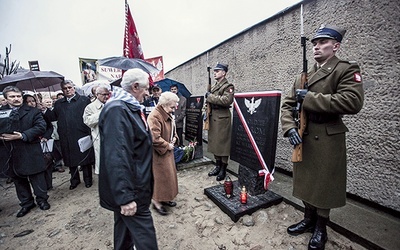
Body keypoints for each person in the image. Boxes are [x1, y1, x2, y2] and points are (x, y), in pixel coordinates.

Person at [280, 24, 364, 250]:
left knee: (324, 185)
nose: (317, 47)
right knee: (306, 181)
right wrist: (289, 128)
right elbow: (287, 105)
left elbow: (352, 102)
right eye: (315, 43)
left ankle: (320, 228)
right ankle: (308, 219)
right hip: (303, 135)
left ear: (335, 46)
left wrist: (310, 98)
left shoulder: (345, 69)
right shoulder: (303, 76)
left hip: (328, 136)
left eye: (323, 43)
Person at [98, 68, 158, 250]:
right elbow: (117, 156)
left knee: (124, 233)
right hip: (133, 189)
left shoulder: (127, 107)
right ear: (135, 86)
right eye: (146, 88)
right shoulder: (117, 110)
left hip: (135, 185)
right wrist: (125, 197)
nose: (148, 93)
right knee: (146, 238)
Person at [0, 86, 50, 217]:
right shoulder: (1, 112)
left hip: (29, 150)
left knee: (37, 178)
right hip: (10, 152)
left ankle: (42, 200)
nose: (16, 99)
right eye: (12, 96)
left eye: (18, 96)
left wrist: (22, 135)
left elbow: (40, 127)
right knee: (18, 179)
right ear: (5, 99)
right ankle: (26, 203)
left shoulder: (33, 111)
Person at [47, 80, 95, 190]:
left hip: (81, 134)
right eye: (65, 88)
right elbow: (53, 117)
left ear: (74, 88)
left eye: (69, 87)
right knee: (70, 159)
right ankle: (74, 180)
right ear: (62, 90)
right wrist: (46, 109)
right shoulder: (59, 103)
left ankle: (88, 179)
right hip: (66, 136)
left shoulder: (84, 100)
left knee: (85, 159)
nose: (68, 90)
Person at [147, 91, 179, 216]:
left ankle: (165, 198)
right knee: (160, 178)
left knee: (168, 176)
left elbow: (172, 128)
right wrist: (167, 145)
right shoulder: (154, 116)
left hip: (167, 152)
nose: (174, 109)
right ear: (164, 105)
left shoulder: (166, 112)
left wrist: (175, 137)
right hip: (158, 153)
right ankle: (156, 201)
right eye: (172, 106)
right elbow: (154, 137)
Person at [206, 63, 235, 181]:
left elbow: (227, 100)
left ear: (224, 73)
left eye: (217, 71)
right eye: (214, 71)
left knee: (223, 145)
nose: (215, 73)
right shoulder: (214, 86)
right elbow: (209, 102)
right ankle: (217, 166)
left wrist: (210, 97)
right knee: (214, 143)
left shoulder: (228, 86)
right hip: (213, 117)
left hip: (222, 118)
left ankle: (223, 168)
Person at [23, 94, 54, 191]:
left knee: (47, 163)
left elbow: (49, 127)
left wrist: (46, 136)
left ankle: (48, 184)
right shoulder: (22, 115)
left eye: (33, 101)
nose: (31, 103)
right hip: (31, 144)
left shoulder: (40, 113)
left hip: (44, 142)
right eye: (28, 101)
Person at [83, 84, 110, 175]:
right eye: (103, 94)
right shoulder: (90, 107)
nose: (106, 96)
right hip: (99, 137)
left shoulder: (112, 104)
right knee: (102, 162)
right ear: (97, 95)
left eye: (107, 94)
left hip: (113, 137)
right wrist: (101, 113)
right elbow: (87, 121)